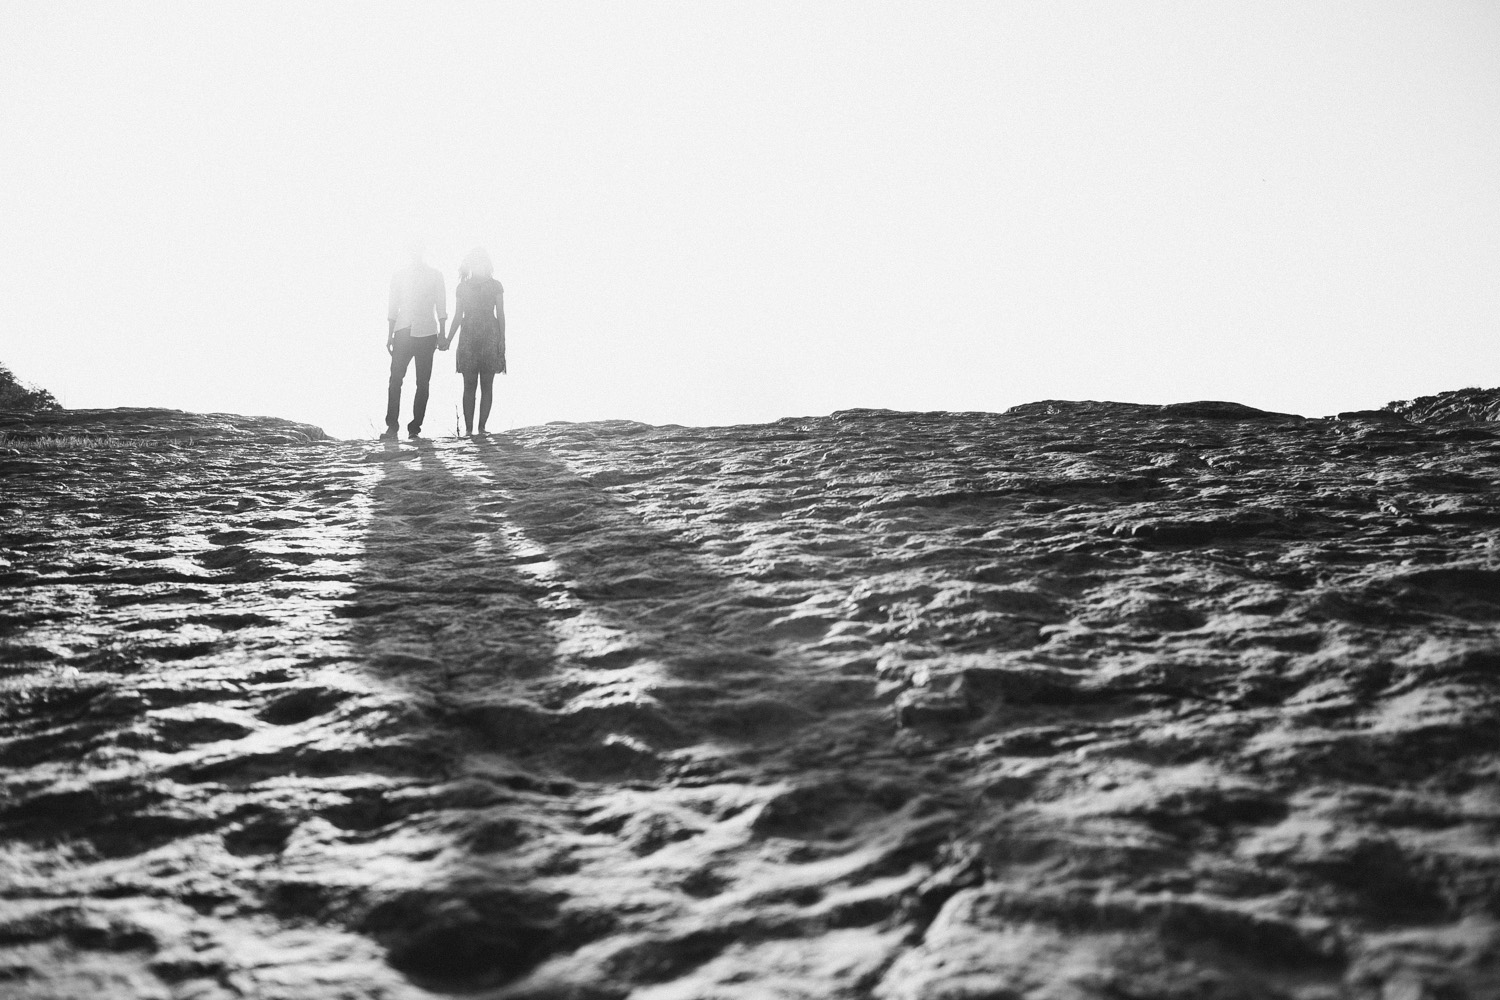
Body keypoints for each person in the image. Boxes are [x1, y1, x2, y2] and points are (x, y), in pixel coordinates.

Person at [383, 245, 448, 440]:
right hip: (403, 331)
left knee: (423, 382)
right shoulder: (399, 275)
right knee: (395, 380)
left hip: (427, 332)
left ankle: (415, 428)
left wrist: (442, 334)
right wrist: (389, 335)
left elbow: (441, 304)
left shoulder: (435, 275)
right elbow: (393, 305)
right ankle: (392, 427)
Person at [445, 246, 506, 437]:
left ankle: (481, 428)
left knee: (486, 384)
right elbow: (457, 316)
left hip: (489, 335)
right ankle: (469, 429)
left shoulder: (496, 285)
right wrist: (448, 339)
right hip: (469, 337)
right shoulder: (462, 287)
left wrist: (502, 339)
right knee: (469, 384)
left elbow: (501, 314)